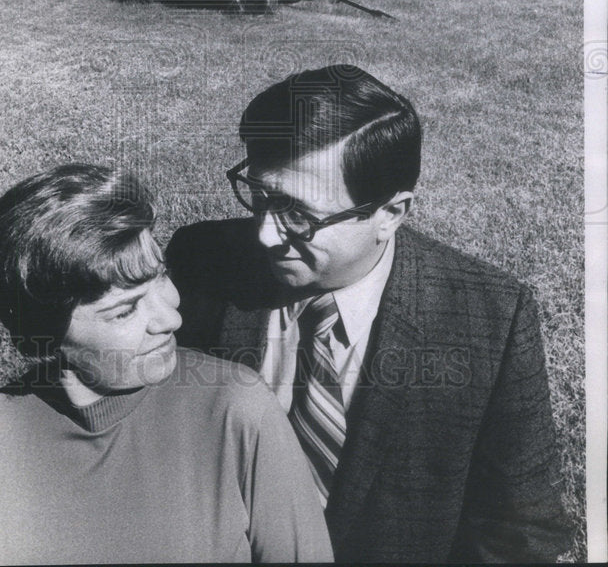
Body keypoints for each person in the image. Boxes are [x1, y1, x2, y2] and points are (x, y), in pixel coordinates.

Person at [167, 64, 572, 563]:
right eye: (260, 194)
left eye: (299, 214)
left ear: (390, 214)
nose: (265, 235)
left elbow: (518, 531)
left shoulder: (489, 317)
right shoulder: (201, 260)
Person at [0, 163, 332, 566]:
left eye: (160, 277)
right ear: (46, 333)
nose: (171, 319)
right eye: (125, 311)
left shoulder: (236, 410)